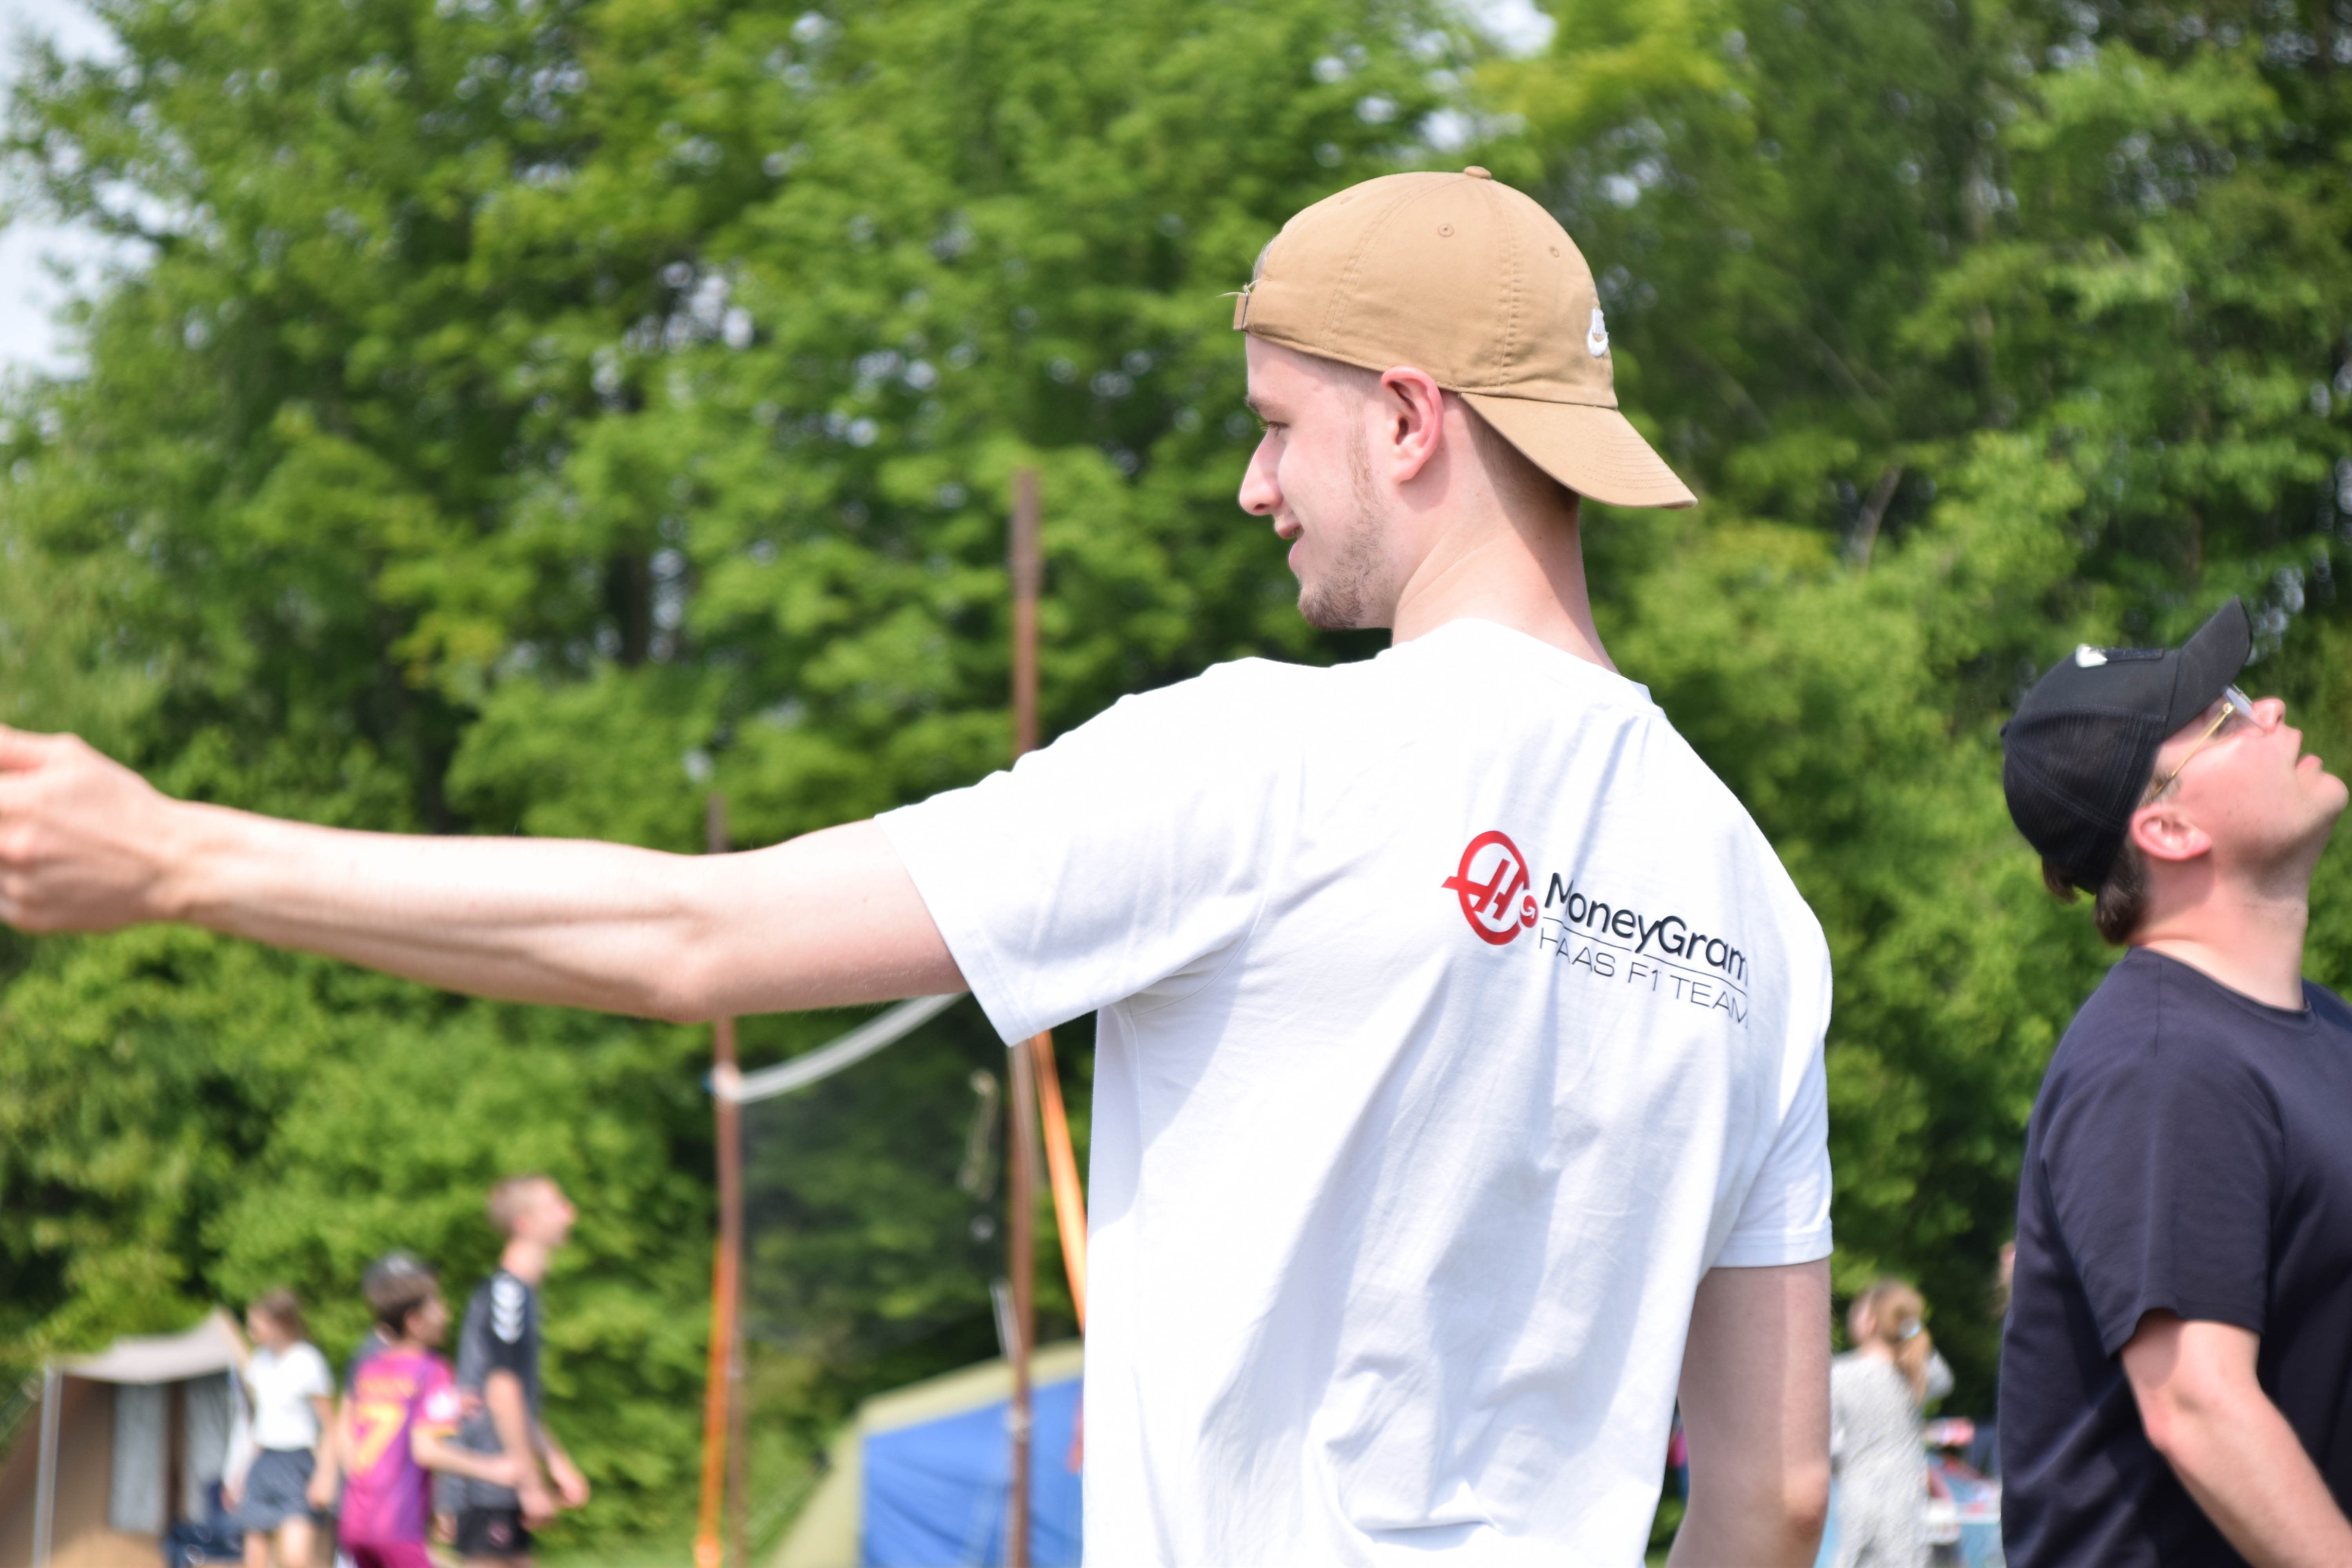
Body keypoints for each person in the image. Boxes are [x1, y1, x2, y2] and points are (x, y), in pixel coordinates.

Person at [0, 168, 1835, 1562]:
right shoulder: (1755, 905)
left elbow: (692, 935)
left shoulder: (1268, 761)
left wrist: (177, 854)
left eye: (1278, 424)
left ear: (1413, 418)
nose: (1252, 486)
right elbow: (1772, 1492)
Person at [1996, 599, 2352, 1566]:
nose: (2271, 709)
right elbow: (2199, 1404)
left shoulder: (2324, 1032)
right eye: (2226, 717)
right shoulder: (2160, 1062)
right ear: (2167, 826)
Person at [338, 1253, 520, 1568]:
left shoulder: (370, 1369)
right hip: (397, 1524)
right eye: (437, 1304)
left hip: (356, 1522)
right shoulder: (431, 1370)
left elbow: (354, 1433)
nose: (447, 1313)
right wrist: (494, 1469)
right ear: (415, 1321)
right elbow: (426, 1450)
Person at [448, 1175, 588, 1565]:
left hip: (504, 1474)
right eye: (557, 1205)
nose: (570, 1214)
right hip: (491, 1475)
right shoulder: (507, 1294)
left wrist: (556, 1461)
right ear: (524, 1224)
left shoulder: (520, 1292)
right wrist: (530, 1483)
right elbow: (501, 1393)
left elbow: (518, 1399)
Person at [1829, 1281, 1949, 1568]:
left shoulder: (1840, 1375)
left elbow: (1829, 1442)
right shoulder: (1915, 1376)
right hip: (1907, 1500)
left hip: (1860, 1496)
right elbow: (1944, 1379)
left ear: (1870, 1323)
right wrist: (1912, 1329)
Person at [221, 1289, 333, 1568]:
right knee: (255, 1560)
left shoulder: (308, 1362)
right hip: (263, 1462)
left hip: (298, 1463)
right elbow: (249, 1426)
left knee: (296, 1559)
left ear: (280, 1323)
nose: (252, 1331)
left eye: (257, 1324)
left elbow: (330, 1427)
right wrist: (235, 1474)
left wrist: (325, 1476)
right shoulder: (258, 1364)